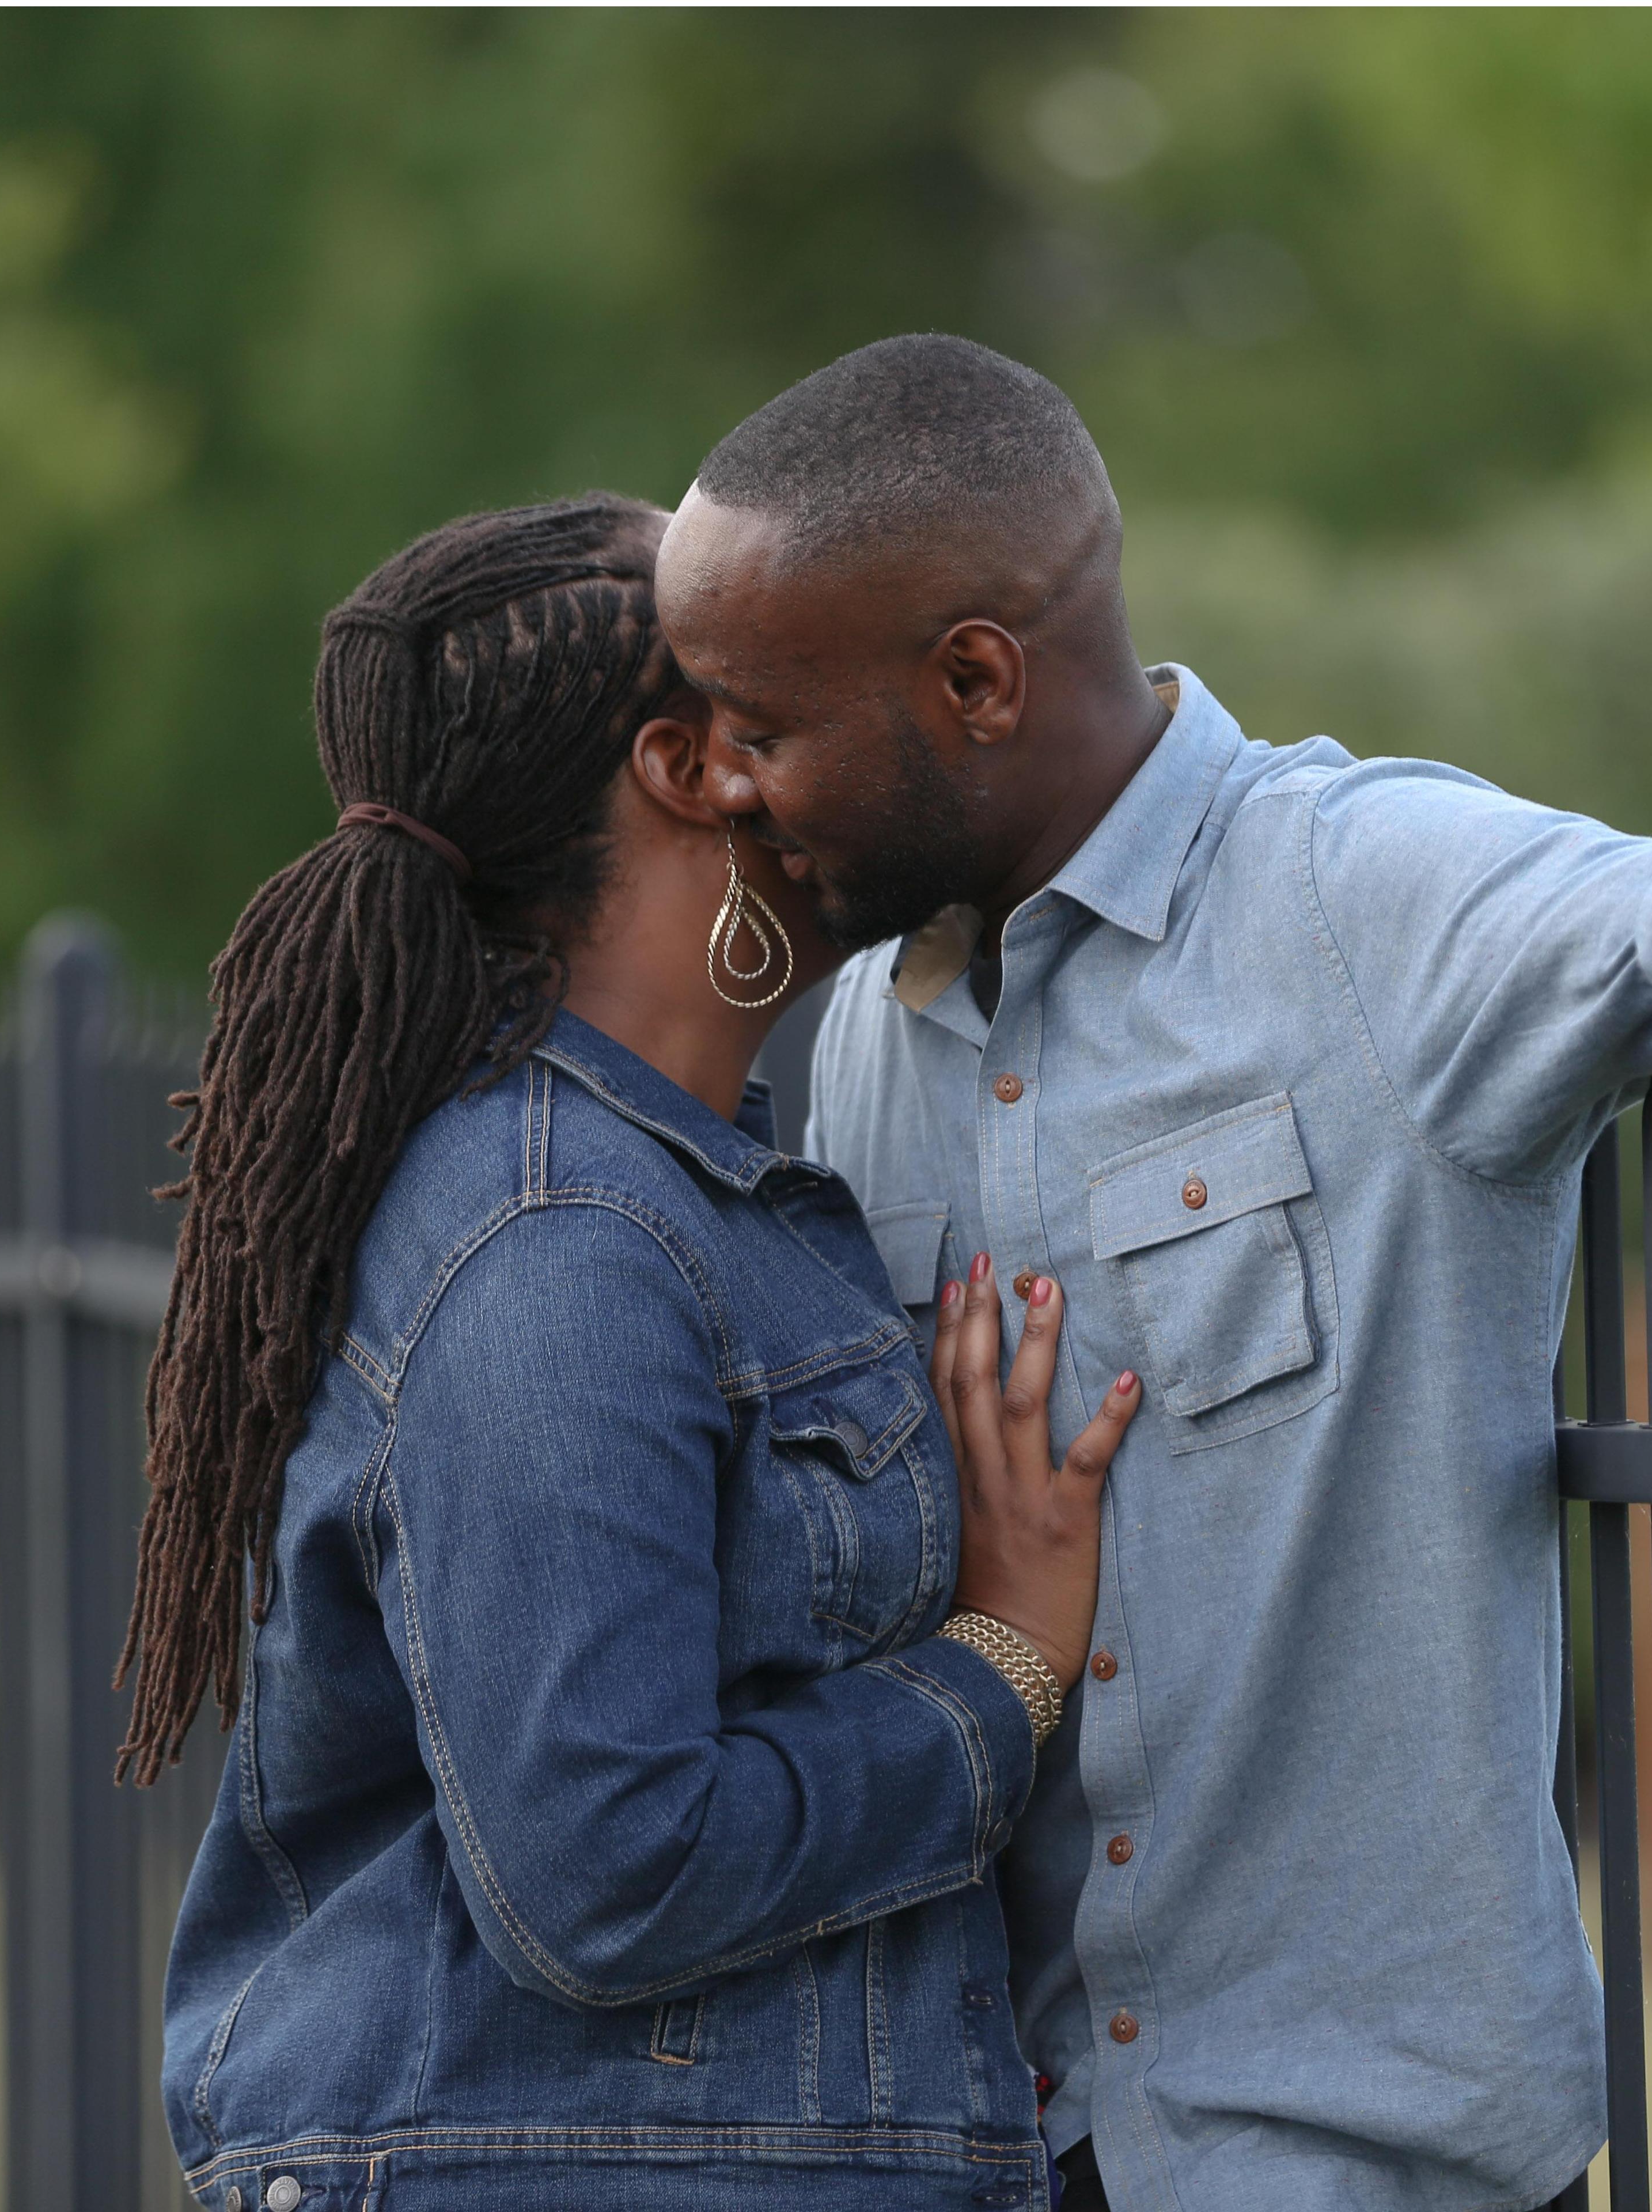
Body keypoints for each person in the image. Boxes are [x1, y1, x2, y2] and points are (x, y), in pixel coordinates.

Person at [650, 335, 1652, 2212]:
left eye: (763, 728)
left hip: (1357, 2166)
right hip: (1008, 2149)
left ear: (974, 679)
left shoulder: (1357, 893)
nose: (731, 790)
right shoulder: (864, 1031)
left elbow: (1650, 910)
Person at [118, 493, 1145, 2212]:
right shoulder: (561, 1241)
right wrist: (1002, 1670)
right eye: (788, 692)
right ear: (693, 768)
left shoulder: (661, 1186)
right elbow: (609, 1869)